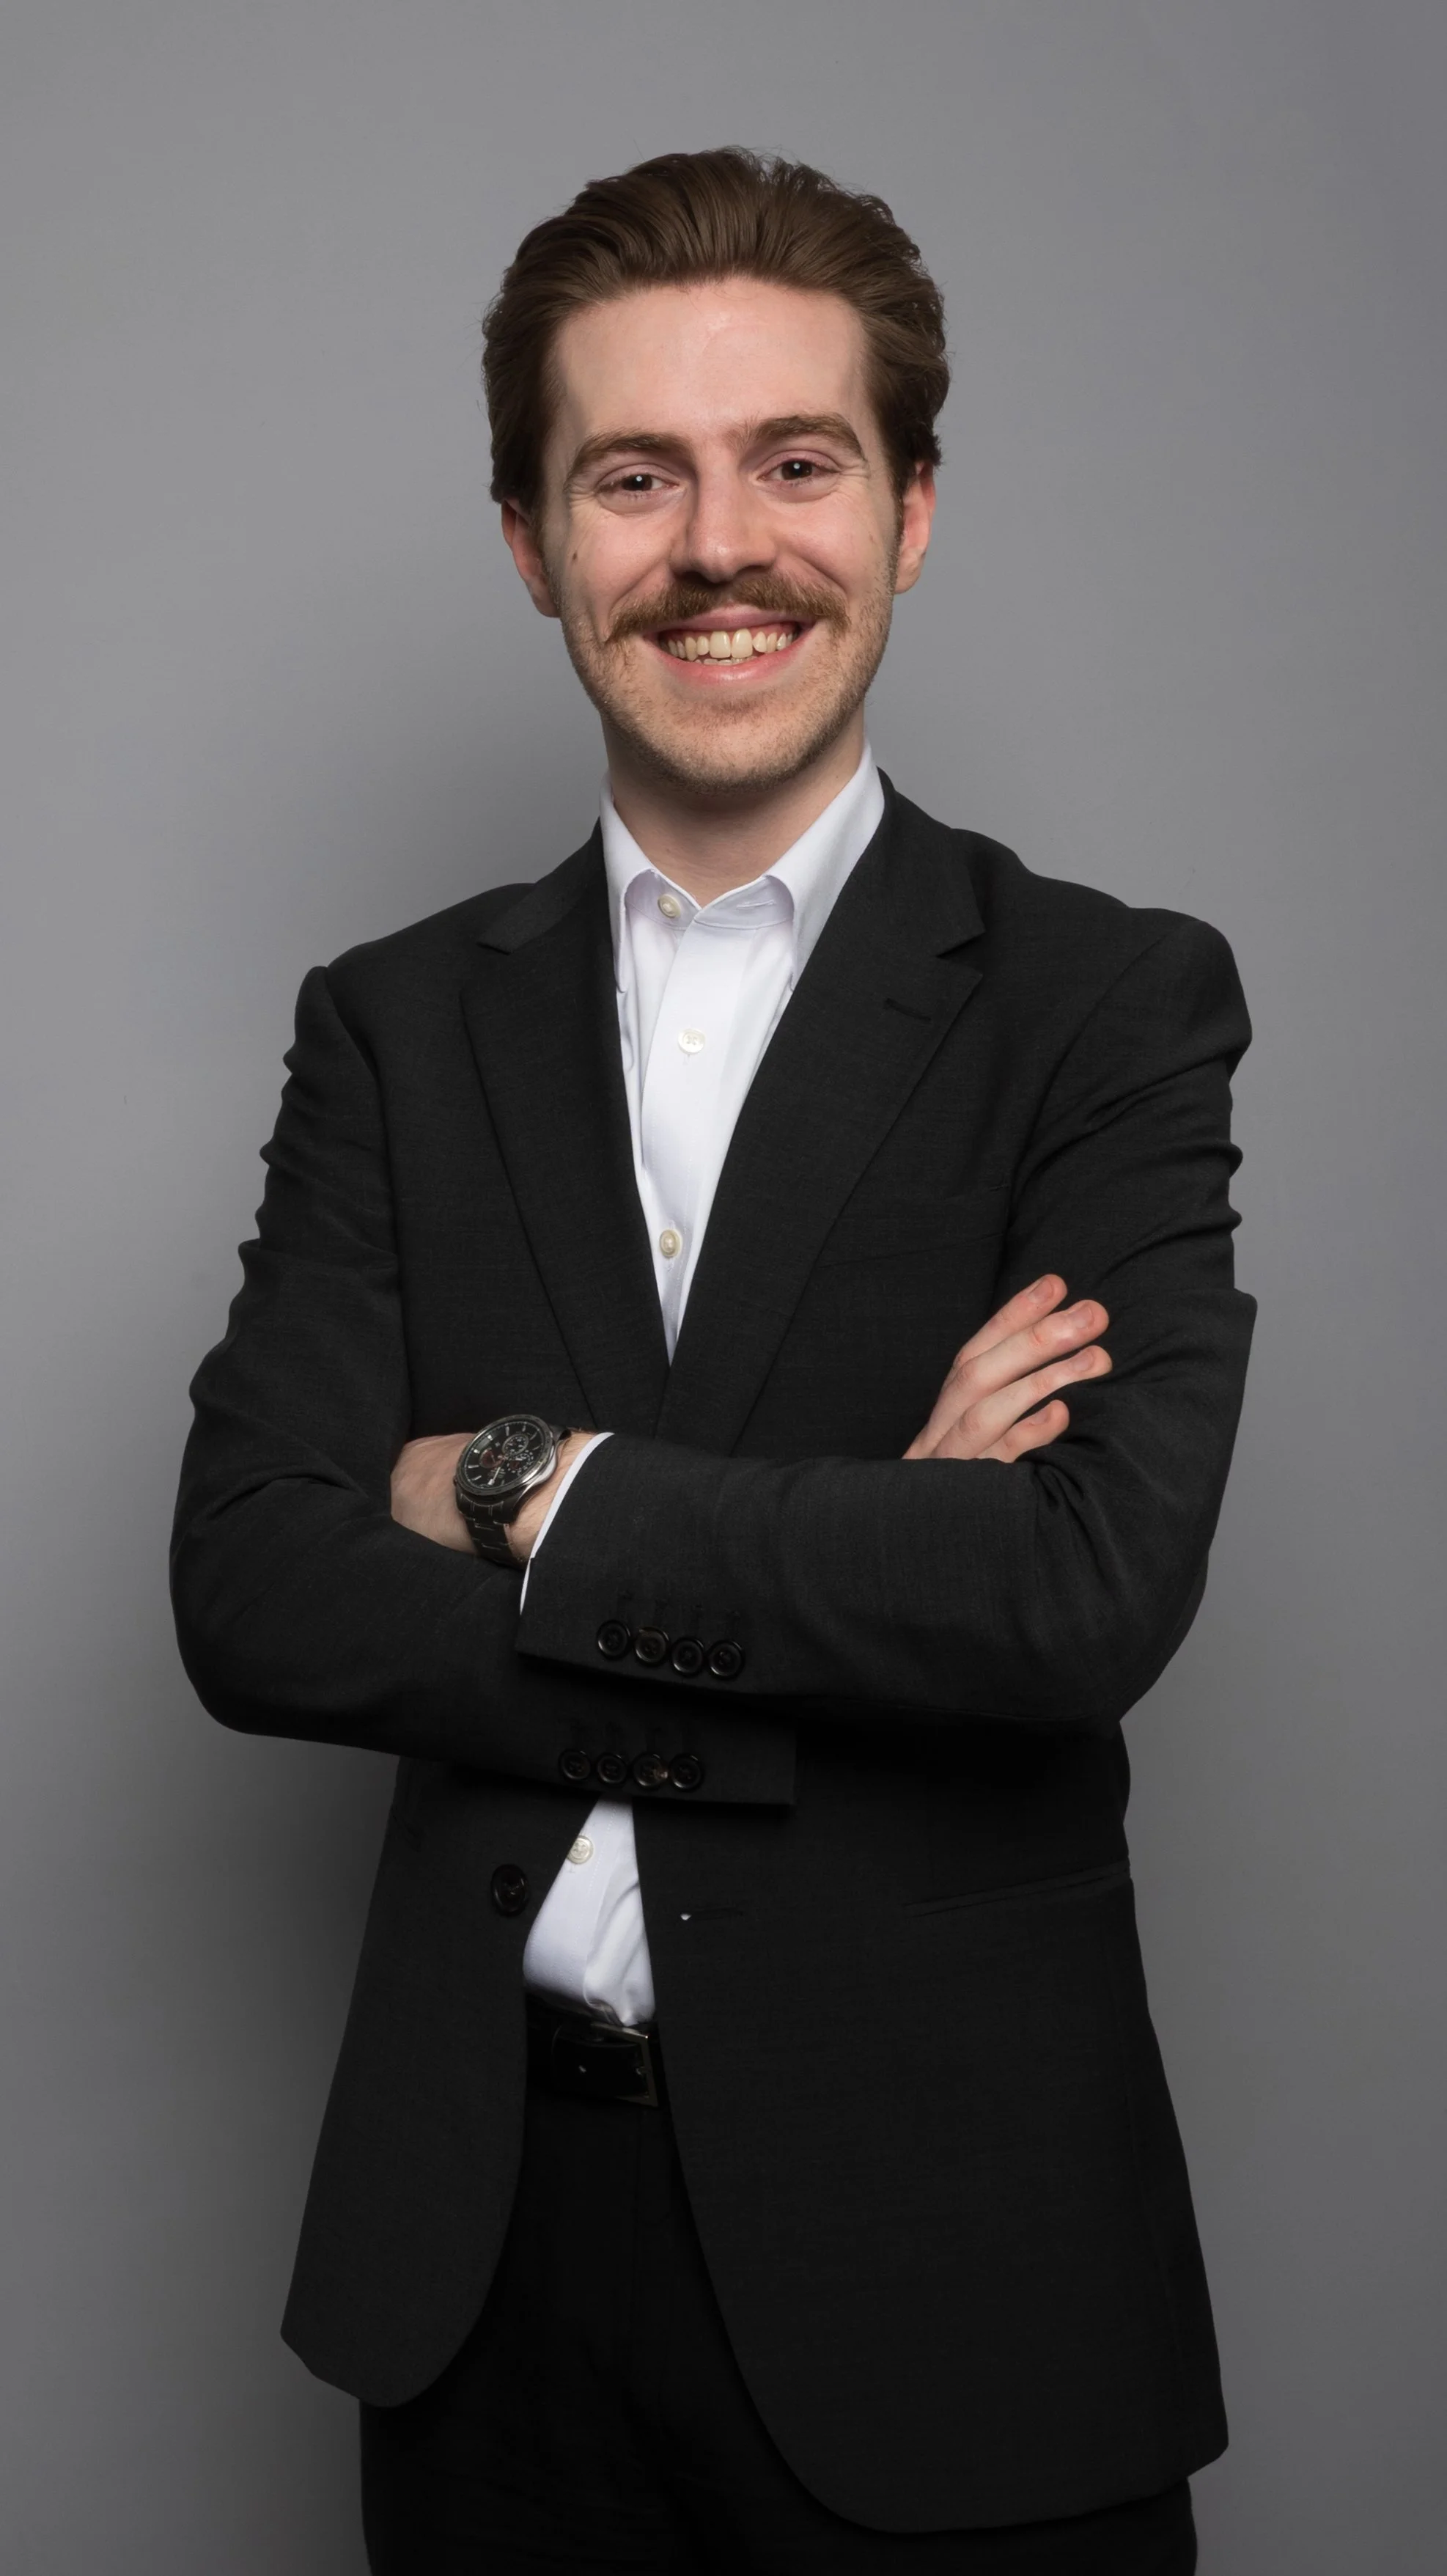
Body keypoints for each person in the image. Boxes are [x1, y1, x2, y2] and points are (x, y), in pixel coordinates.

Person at [172, 148, 1254, 2573]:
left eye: (795, 463)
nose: (720, 547)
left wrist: (504, 1481)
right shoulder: (393, 1026)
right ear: (530, 541)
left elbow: (1074, 1593)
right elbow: (249, 1590)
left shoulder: (1104, 1004)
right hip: (482, 2274)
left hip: (950, 2266)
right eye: (632, 477)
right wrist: (871, 1554)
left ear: (909, 511)